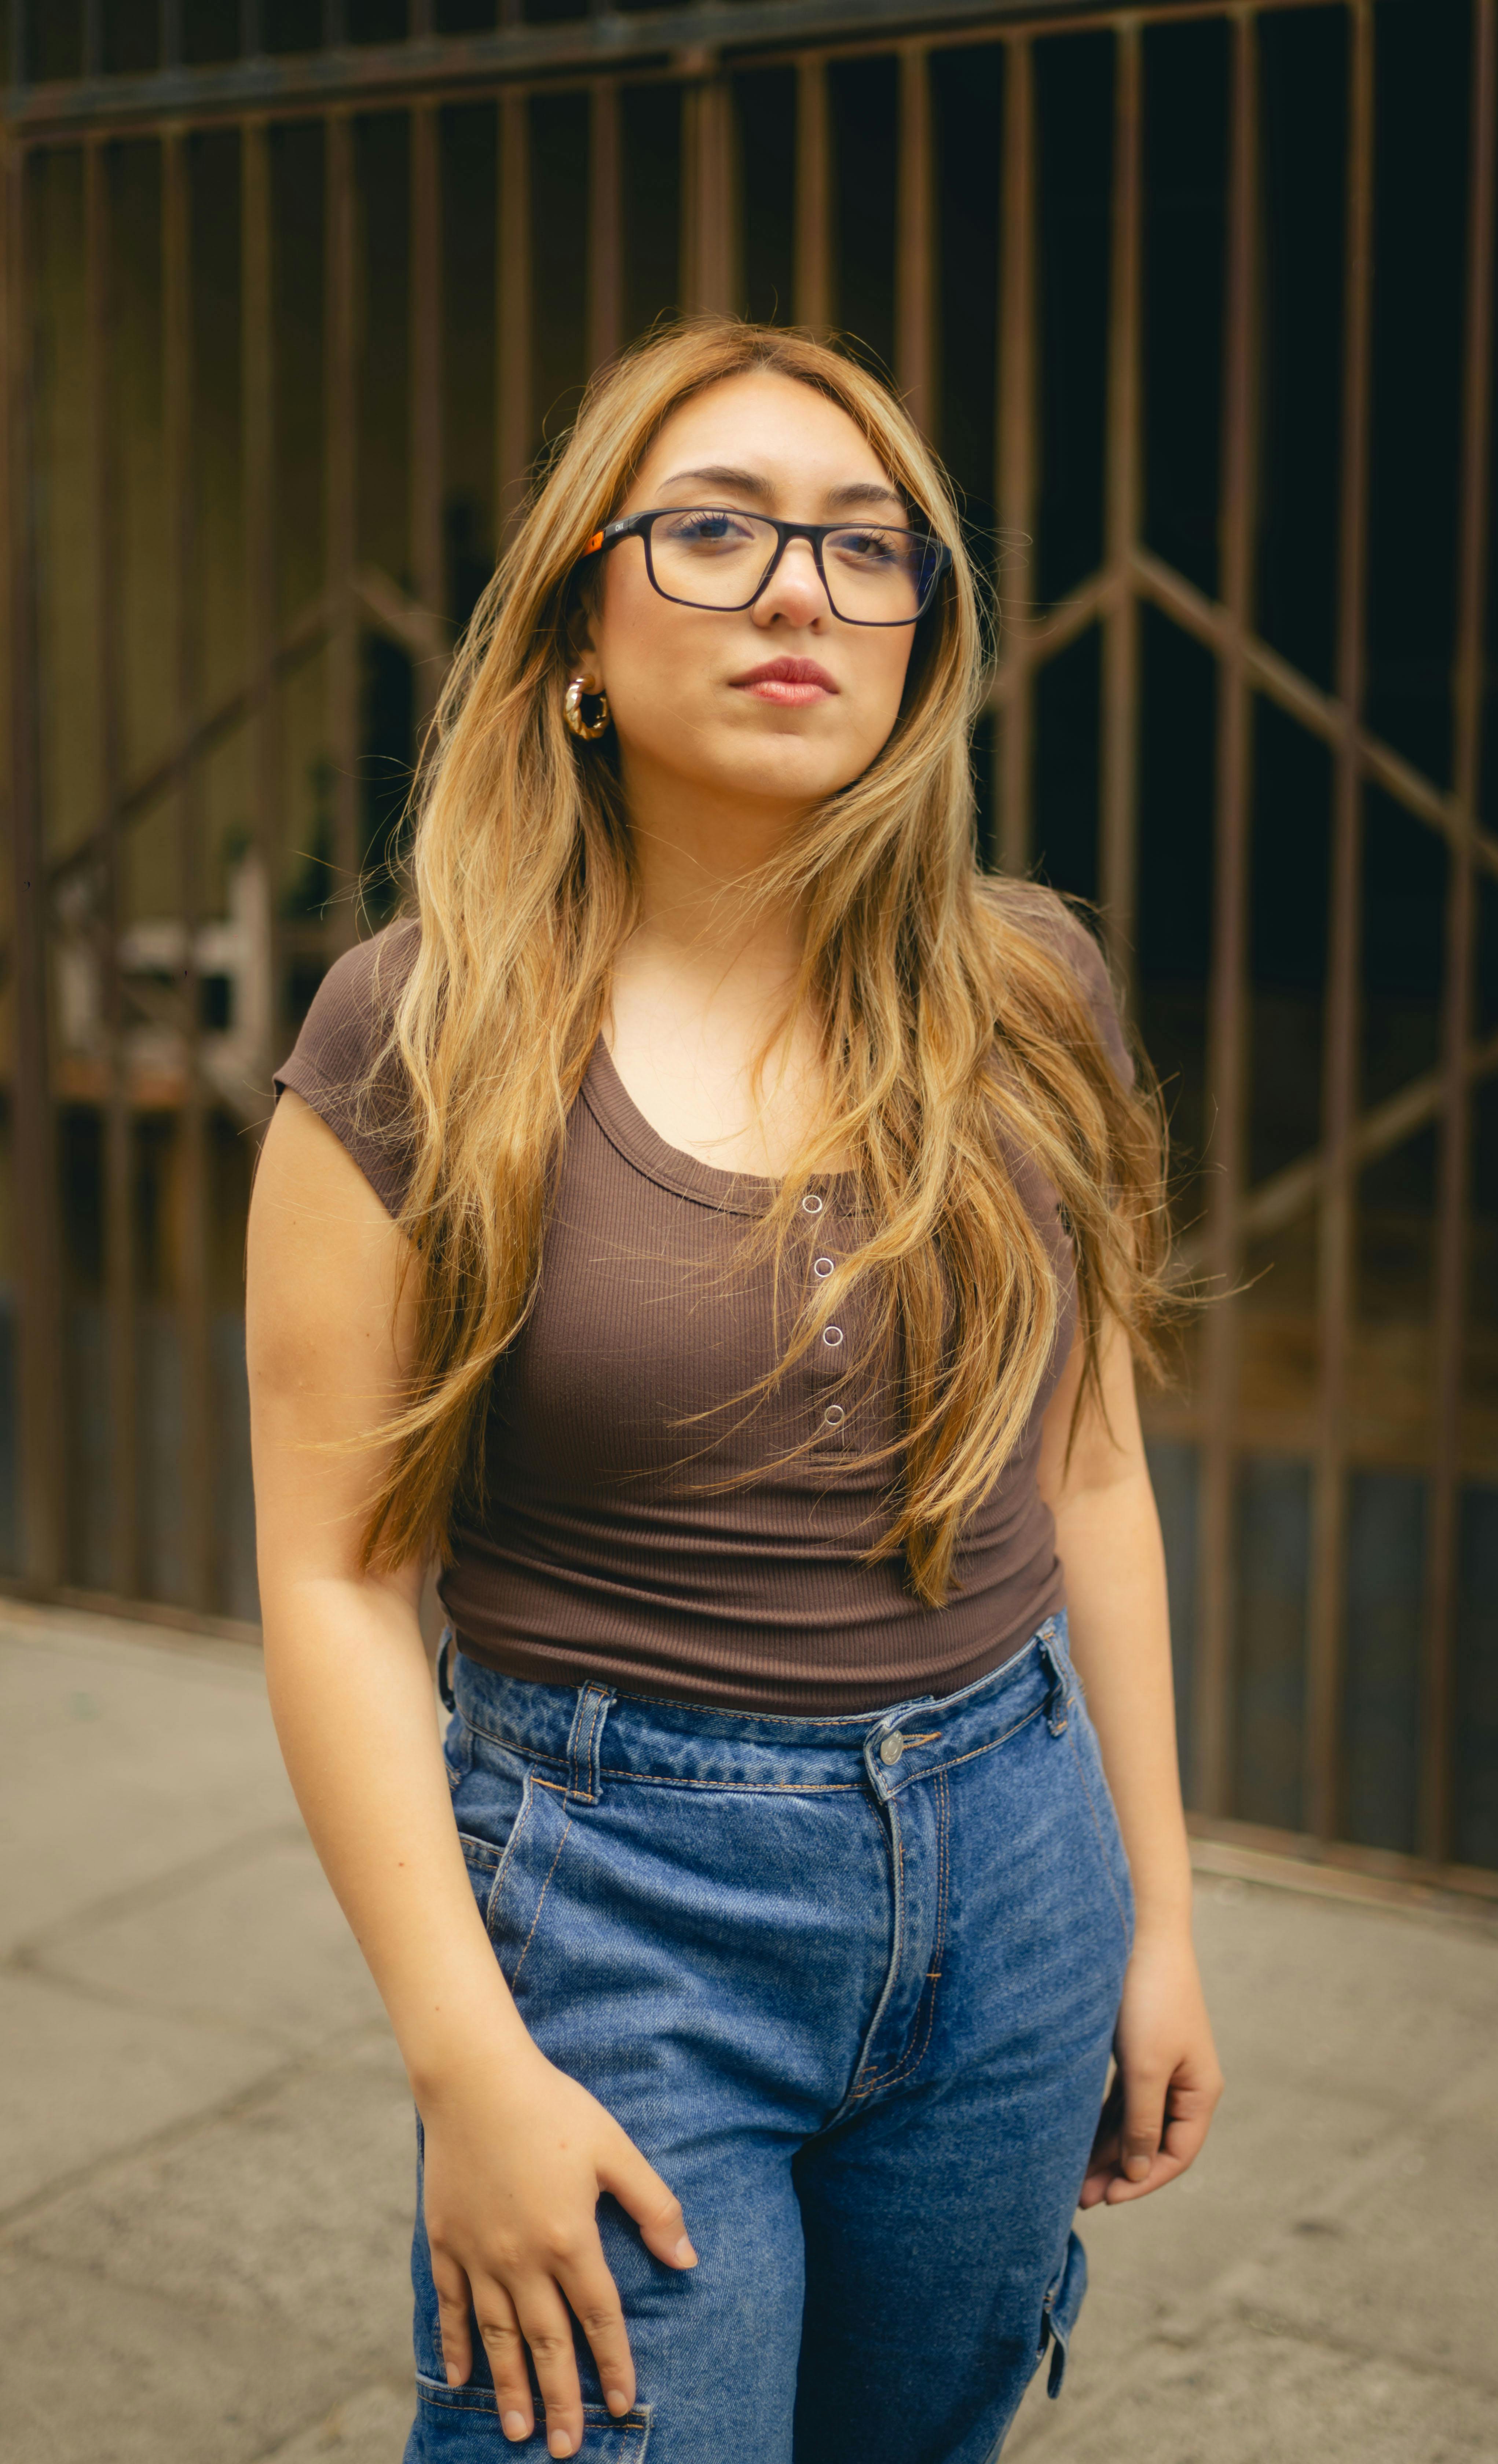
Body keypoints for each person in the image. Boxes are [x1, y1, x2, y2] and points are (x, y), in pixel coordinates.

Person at [247, 317, 1222, 2464]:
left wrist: (1156, 1913)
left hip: (1020, 1868)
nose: (802, 588)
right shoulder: (416, 1033)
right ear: (582, 631)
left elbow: (1093, 1468)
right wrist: (466, 2064)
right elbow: (327, 1578)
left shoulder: (1030, 988)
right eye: (714, 531)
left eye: (870, 548)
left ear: (918, 645)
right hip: (617, 1899)